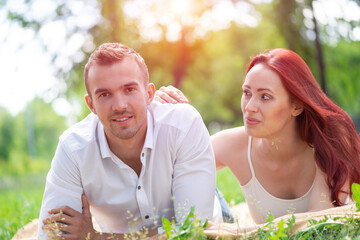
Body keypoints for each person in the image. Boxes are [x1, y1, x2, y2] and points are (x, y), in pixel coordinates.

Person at [155, 48, 360, 227]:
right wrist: (154, 111)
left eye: (265, 97)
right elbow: (161, 171)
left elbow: (318, 224)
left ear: (296, 106)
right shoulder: (232, 144)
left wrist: (242, 233)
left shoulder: (330, 141)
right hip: (222, 214)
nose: (250, 107)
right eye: (247, 93)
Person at [37, 42, 217, 239]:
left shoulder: (183, 124)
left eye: (129, 89)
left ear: (149, 94)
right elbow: (51, 235)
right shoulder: (73, 149)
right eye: (105, 94)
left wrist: (96, 237)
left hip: (213, 216)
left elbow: (193, 232)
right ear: (91, 105)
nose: (119, 105)